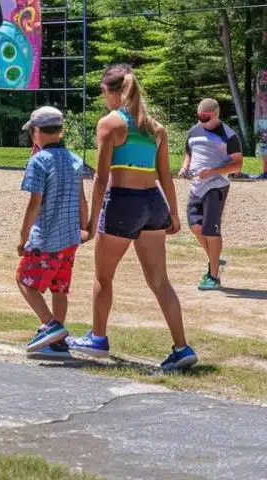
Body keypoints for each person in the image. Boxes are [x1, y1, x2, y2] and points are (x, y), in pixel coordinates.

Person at [67, 64, 198, 371]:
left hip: (122, 202)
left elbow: (101, 178)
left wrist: (91, 222)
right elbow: (165, 177)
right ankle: (182, 347)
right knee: (160, 281)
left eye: (103, 92)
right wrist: (173, 215)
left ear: (113, 92)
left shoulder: (110, 124)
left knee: (103, 277)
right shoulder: (156, 128)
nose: (103, 99)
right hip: (154, 204)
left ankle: (98, 338)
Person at [17, 106, 89, 357]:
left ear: (37, 132)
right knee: (60, 287)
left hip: (46, 236)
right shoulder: (75, 160)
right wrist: (85, 227)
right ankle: (57, 342)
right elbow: (82, 199)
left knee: (25, 281)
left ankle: (51, 325)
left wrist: (23, 236)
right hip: (70, 237)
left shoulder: (39, 161)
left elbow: (34, 202)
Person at [179, 98, 242, 290]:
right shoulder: (193, 131)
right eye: (199, 116)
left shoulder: (229, 136)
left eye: (205, 118)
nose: (201, 120)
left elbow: (237, 165)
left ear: (216, 115)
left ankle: (213, 276)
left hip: (216, 185)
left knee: (210, 230)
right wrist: (184, 167)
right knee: (195, 226)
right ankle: (215, 260)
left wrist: (212, 172)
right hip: (196, 185)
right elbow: (188, 153)